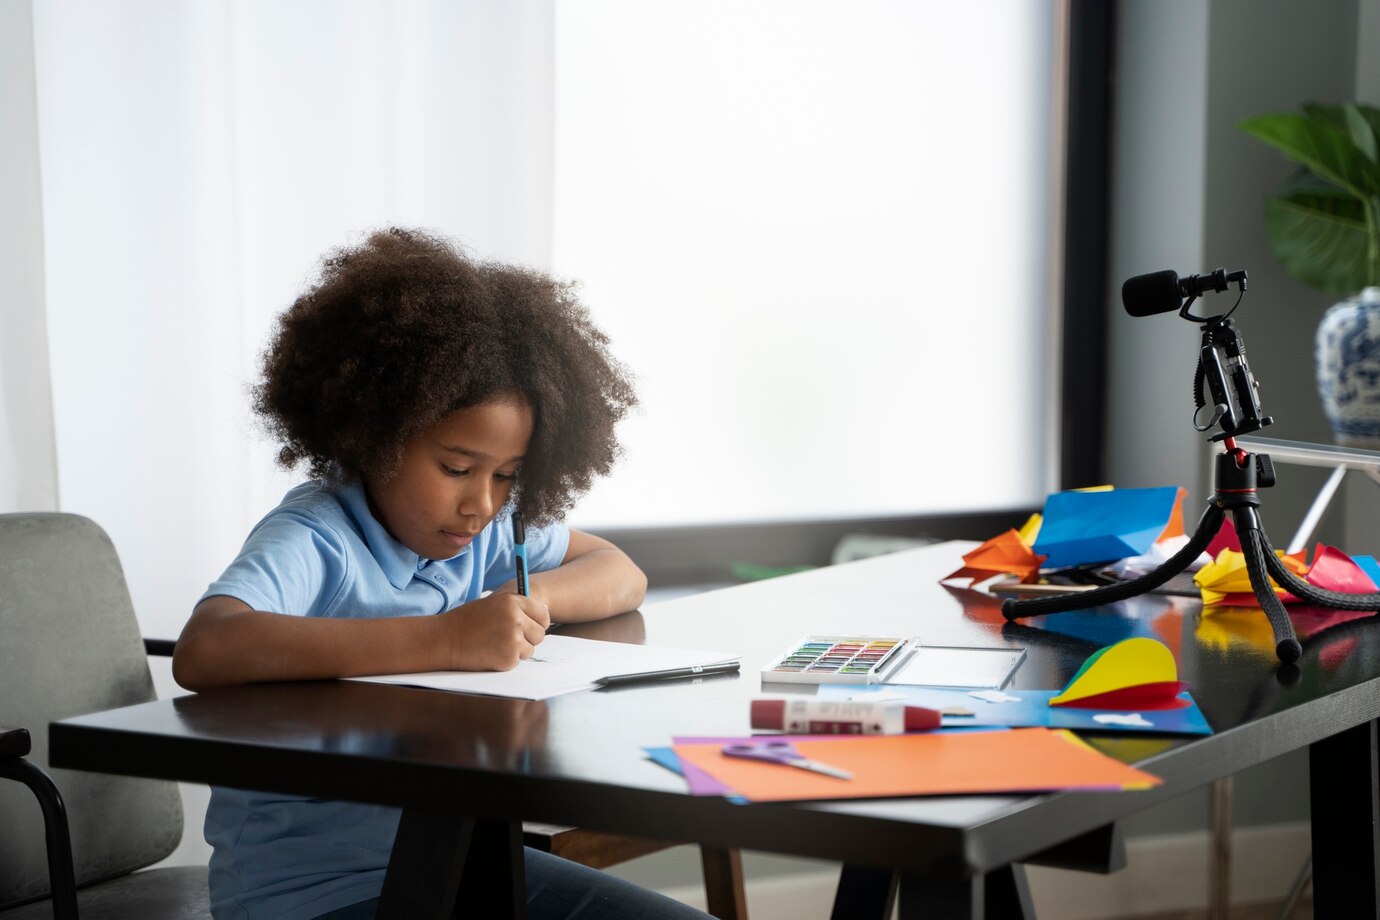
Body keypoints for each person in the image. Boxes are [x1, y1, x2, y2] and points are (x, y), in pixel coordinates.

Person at [173, 228, 711, 920]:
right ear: (376, 435)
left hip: (462, 861)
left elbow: (620, 571)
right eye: (456, 468)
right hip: (311, 896)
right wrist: (446, 638)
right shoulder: (317, 536)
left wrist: (524, 599)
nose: (481, 502)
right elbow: (207, 647)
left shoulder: (484, 533)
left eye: (507, 475)